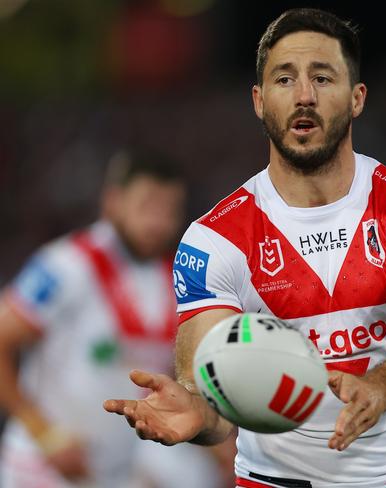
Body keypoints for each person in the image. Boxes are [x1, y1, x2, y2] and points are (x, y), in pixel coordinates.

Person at [105, 8, 386, 488]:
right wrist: (197, 413)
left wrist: (379, 388)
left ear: (357, 97)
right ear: (259, 100)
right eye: (284, 79)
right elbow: (213, 395)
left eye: (323, 77)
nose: (304, 96)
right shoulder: (213, 241)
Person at [0, 148, 233, 487]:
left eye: (169, 210)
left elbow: (170, 376)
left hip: (109, 473)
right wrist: (45, 435)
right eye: (147, 206)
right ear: (113, 201)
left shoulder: (176, 280)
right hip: (39, 467)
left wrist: (217, 448)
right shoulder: (66, 265)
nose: (158, 222)